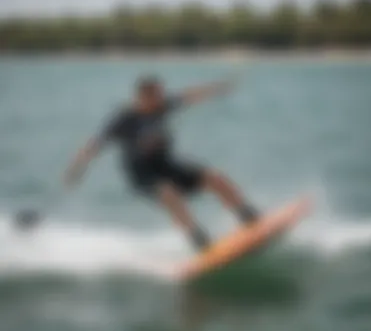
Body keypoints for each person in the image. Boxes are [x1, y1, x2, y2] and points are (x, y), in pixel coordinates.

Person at [64, 76, 260, 250]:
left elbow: (190, 95)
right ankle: (198, 238)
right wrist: (75, 169)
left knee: (215, 177)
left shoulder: (162, 105)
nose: (161, 99)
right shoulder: (124, 118)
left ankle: (248, 216)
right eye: (157, 95)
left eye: (161, 94)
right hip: (142, 174)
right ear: (143, 96)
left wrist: (219, 87)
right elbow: (94, 144)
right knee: (168, 192)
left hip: (166, 164)